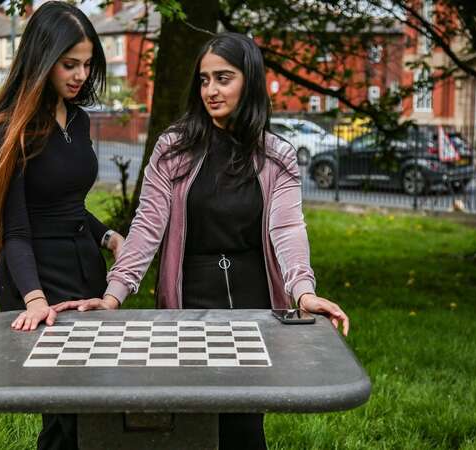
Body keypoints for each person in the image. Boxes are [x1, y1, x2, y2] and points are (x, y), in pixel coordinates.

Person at [54, 32, 350, 449]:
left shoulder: (276, 155)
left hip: (255, 306)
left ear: (249, 80)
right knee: (194, 425)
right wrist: (113, 294)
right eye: (204, 80)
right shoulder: (173, 150)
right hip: (189, 305)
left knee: (244, 426)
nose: (211, 90)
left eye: (223, 78)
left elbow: (287, 229)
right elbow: (147, 226)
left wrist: (304, 292)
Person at [0, 2, 123, 449]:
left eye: (87, 65)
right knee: (64, 416)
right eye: (69, 65)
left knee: (93, 404)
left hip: (84, 267)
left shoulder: (78, 119)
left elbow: (68, 204)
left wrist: (110, 237)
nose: (80, 76)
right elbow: (14, 230)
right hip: (36, 276)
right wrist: (34, 299)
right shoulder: (9, 130)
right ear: (42, 60)